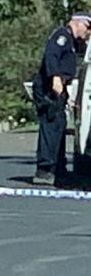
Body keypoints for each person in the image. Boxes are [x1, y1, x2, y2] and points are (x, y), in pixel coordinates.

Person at [32, 12, 91, 186]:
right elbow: (51, 56)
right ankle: (45, 169)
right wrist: (55, 78)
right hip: (50, 89)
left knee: (59, 128)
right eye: (88, 28)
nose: (87, 33)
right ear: (78, 23)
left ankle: (58, 168)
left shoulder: (72, 42)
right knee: (51, 128)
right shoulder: (61, 36)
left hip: (60, 88)